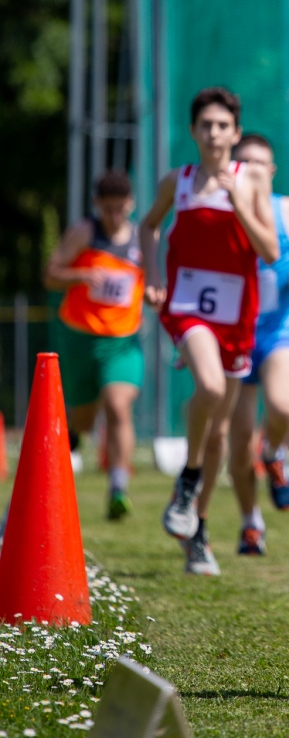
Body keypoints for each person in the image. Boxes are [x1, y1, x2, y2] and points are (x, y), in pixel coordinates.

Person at [140, 87, 278, 576]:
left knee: (219, 432)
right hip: (185, 307)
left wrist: (238, 201)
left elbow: (270, 251)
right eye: (206, 125)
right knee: (212, 387)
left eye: (222, 126)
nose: (214, 133)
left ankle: (195, 529)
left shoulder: (251, 180)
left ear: (235, 133)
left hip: (237, 317)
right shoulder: (176, 182)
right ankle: (188, 476)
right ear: (193, 131)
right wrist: (152, 276)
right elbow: (147, 227)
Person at [220, 133, 289, 556]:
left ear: (272, 170)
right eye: (245, 162)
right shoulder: (221, 208)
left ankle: (275, 452)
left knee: (283, 408)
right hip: (235, 332)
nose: (254, 170)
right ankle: (250, 523)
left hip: (279, 328)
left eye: (261, 163)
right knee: (239, 441)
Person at [44, 170, 145, 520]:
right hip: (80, 341)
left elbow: (153, 282)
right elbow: (51, 274)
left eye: (121, 208)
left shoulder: (143, 238)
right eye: (108, 209)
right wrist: (81, 275)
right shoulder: (84, 233)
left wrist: (156, 294)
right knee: (83, 420)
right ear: (96, 204)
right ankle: (73, 439)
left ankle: (118, 488)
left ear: (131, 203)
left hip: (122, 343)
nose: (115, 216)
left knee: (118, 406)